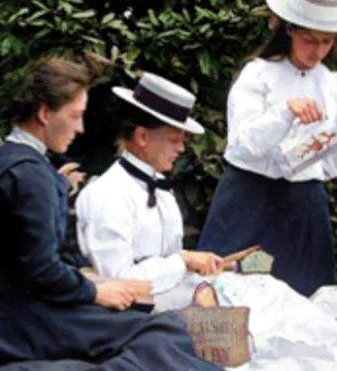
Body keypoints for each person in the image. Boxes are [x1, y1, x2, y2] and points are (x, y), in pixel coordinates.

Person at [0, 53, 242, 371]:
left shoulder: (9, 163)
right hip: (24, 317)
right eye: (77, 114)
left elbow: (36, 257)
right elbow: (42, 271)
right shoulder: (38, 178)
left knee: (199, 316)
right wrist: (95, 290)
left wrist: (87, 279)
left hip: (14, 306)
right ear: (46, 113)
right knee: (160, 333)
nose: (81, 128)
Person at [197, 0, 337, 297]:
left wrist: (301, 162)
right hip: (247, 197)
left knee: (306, 295)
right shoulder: (258, 75)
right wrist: (284, 114)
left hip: (302, 205)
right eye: (308, 40)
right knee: (225, 290)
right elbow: (242, 143)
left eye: (326, 42)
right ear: (289, 30)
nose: (316, 51)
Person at [76, 72, 226, 299]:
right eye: (174, 140)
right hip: (132, 317)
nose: (182, 149)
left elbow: (167, 257)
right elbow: (119, 280)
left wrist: (191, 260)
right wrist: (182, 261)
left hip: (170, 299)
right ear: (142, 137)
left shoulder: (161, 189)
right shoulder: (107, 195)